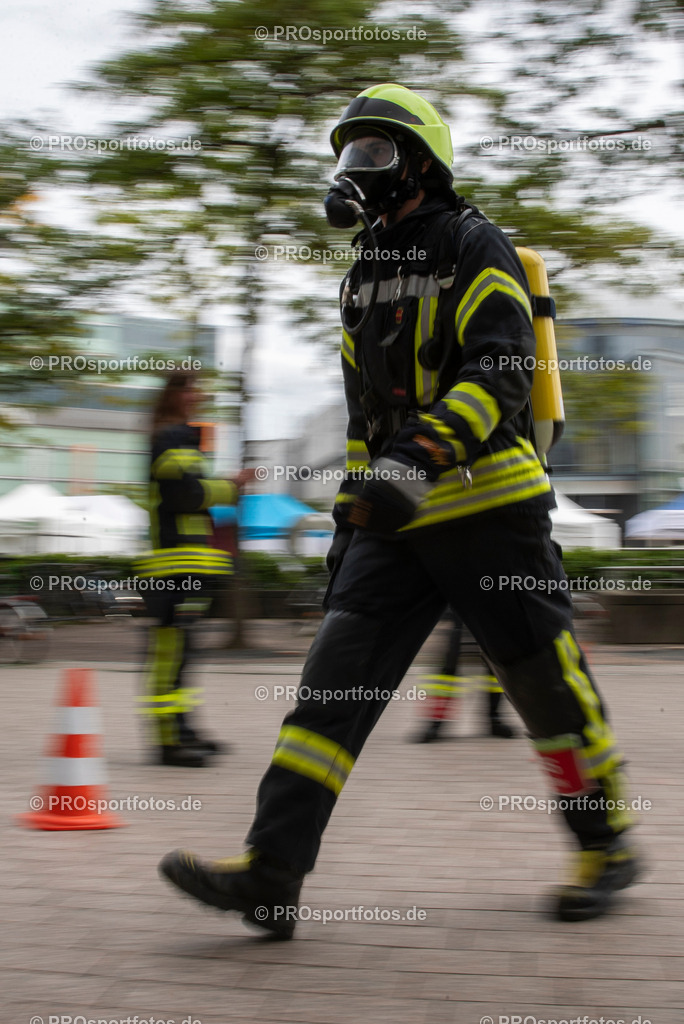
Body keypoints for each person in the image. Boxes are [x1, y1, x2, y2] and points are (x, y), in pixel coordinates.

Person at [159, 84, 640, 932]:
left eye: (374, 152)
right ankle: (272, 875)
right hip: (395, 519)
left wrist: (416, 458)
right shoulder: (361, 279)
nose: (357, 168)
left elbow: (500, 370)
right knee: (328, 693)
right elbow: (365, 422)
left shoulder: (472, 244)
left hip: (490, 510)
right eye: (351, 153)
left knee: (546, 689)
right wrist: (351, 520)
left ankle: (606, 848)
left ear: (422, 163)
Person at [137, 370, 250, 768]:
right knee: (171, 654)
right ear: (175, 395)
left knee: (182, 653)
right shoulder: (170, 437)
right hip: (174, 566)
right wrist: (231, 486)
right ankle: (169, 742)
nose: (199, 396)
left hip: (184, 565)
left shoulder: (178, 438)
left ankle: (183, 730)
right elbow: (185, 496)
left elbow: (188, 494)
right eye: (192, 389)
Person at [415, 611, 517, 742]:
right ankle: (435, 722)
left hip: (489, 609)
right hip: (459, 609)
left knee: (494, 665)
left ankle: (494, 719)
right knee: (449, 665)